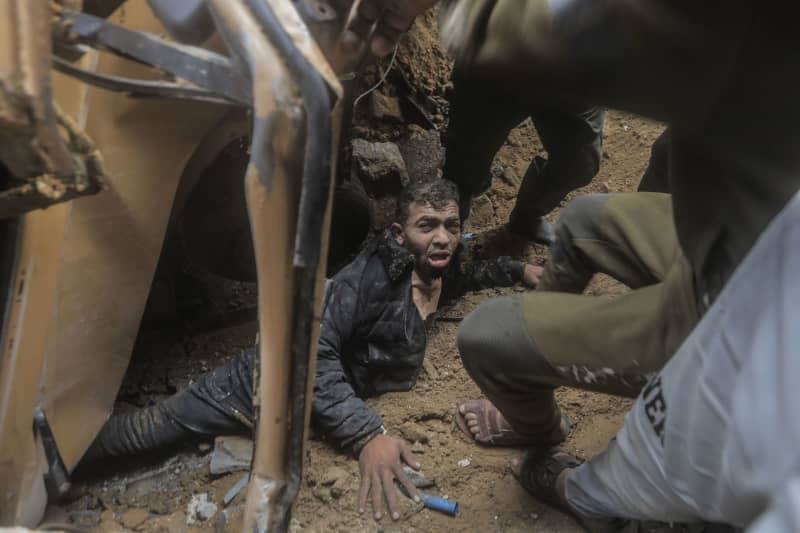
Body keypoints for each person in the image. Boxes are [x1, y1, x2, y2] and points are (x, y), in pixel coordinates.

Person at [342, 0, 800, 529]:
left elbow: (564, 35)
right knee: (584, 220)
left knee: (487, 338)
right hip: (749, 239)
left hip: (747, 314)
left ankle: (555, 449)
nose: (440, 238)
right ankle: (547, 361)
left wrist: (457, 8)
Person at [81, 179, 542, 521]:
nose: (442, 237)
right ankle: (43, 455)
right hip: (265, 379)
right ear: (400, 235)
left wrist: (520, 273)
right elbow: (311, 355)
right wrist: (365, 434)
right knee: (149, 430)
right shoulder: (364, 282)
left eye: (450, 225)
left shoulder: (436, 266)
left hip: (324, 396)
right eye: (427, 226)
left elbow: (466, 275)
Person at [444, 71, 604, 245]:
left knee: (579, 163)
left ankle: (527, 217)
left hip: (574, 70)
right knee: (467, 152)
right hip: (501, 64)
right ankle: (457, 206)